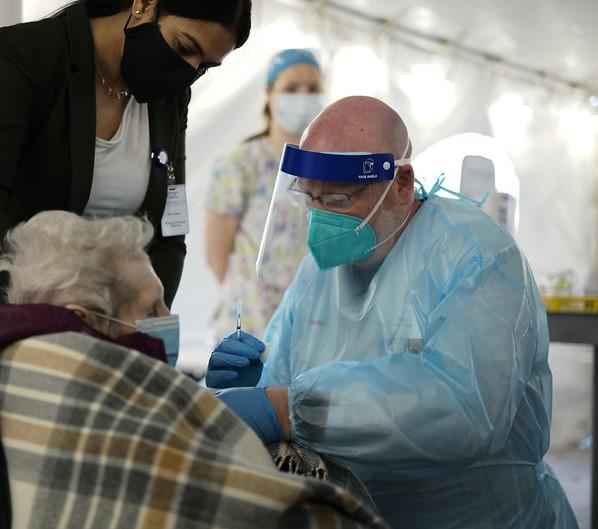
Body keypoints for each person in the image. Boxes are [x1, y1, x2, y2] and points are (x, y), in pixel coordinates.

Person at [206, 96, 579, 528]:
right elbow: (284, 379)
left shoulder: (478, 257)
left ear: (401, 183)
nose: (321, 220)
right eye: (310, 200)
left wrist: (289, 409)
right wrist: (255, 381)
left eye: (338, 199)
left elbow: (465, 411)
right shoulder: (320, 272)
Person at [0, 211, 389, 529]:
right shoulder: (85, 374)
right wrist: (228, 416)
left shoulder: (12, 353)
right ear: (87, 316)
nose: (168, 316)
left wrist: (206, 403)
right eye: (152, 305)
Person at [0, 0, 252, 330]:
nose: (189, 71)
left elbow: (170, 231)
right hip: (9, 306)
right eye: (184, 47)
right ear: (145, 5)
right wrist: (49, 306)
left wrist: (149, 322)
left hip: (109, 324)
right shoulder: (32, 53)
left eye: (205, 66)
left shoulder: (171, 98)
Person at [205, 49, 323, 340]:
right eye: (291, 88)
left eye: (313, 89)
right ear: (269, 92)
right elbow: (216, 255)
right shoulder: (239, 165)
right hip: (249, 327)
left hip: (310, 328)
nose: (303, 96)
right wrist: (253, 296)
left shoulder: (328, 169)